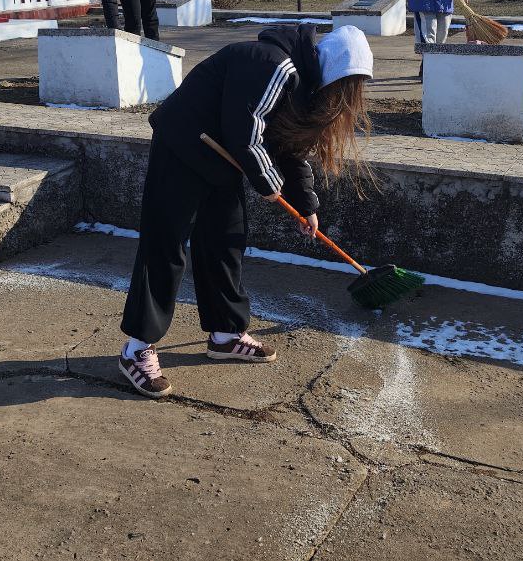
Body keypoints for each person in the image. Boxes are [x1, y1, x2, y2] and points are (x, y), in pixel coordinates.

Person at [118, 24, 374, 398]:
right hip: (185, 141)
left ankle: (225, 334)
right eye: (349, 89)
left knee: (226, 240)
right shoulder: (276, 66)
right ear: (336, 74)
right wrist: (268, 183)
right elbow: (246, 131)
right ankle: (136, 348)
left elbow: (289, 147)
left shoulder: (307, 88)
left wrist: (307, 206)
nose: (348, 99)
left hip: (222, 157)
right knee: (166, 243)